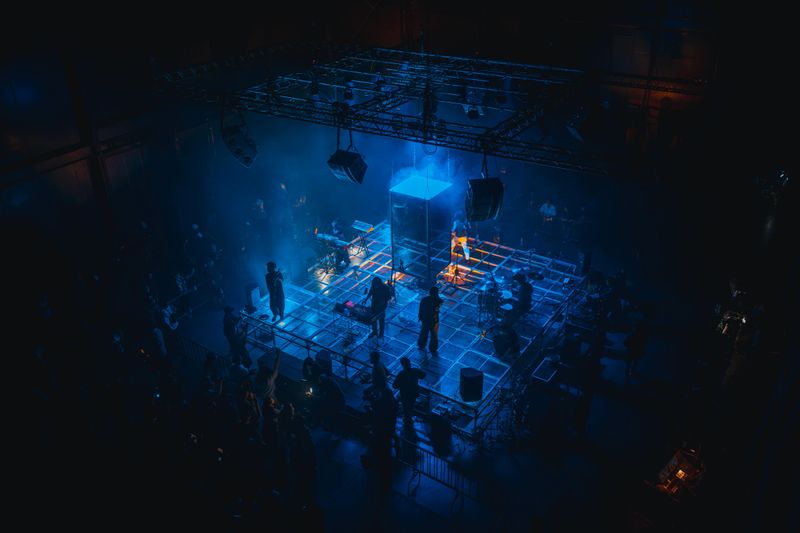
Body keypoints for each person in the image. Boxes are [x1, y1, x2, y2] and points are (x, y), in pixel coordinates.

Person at [393, 357, 426, 422]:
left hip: (404, 394)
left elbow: (395, 386)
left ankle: (407, 419)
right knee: (411, 405)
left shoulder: (401, 374)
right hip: (413, 393)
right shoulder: (415, 371)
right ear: (409, 363)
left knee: (406, 407)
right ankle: (409, 418)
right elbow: (423, 375)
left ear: (402, 365)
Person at [417, 286, 443, 356]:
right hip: (434, 320)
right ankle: (433, 348)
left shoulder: (424, 299)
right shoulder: (439, 301)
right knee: (434, 335)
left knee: (423, 332)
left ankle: (421, 344)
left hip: (425, 319)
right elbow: (437, 309)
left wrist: (420, 317)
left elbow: (421, 309)